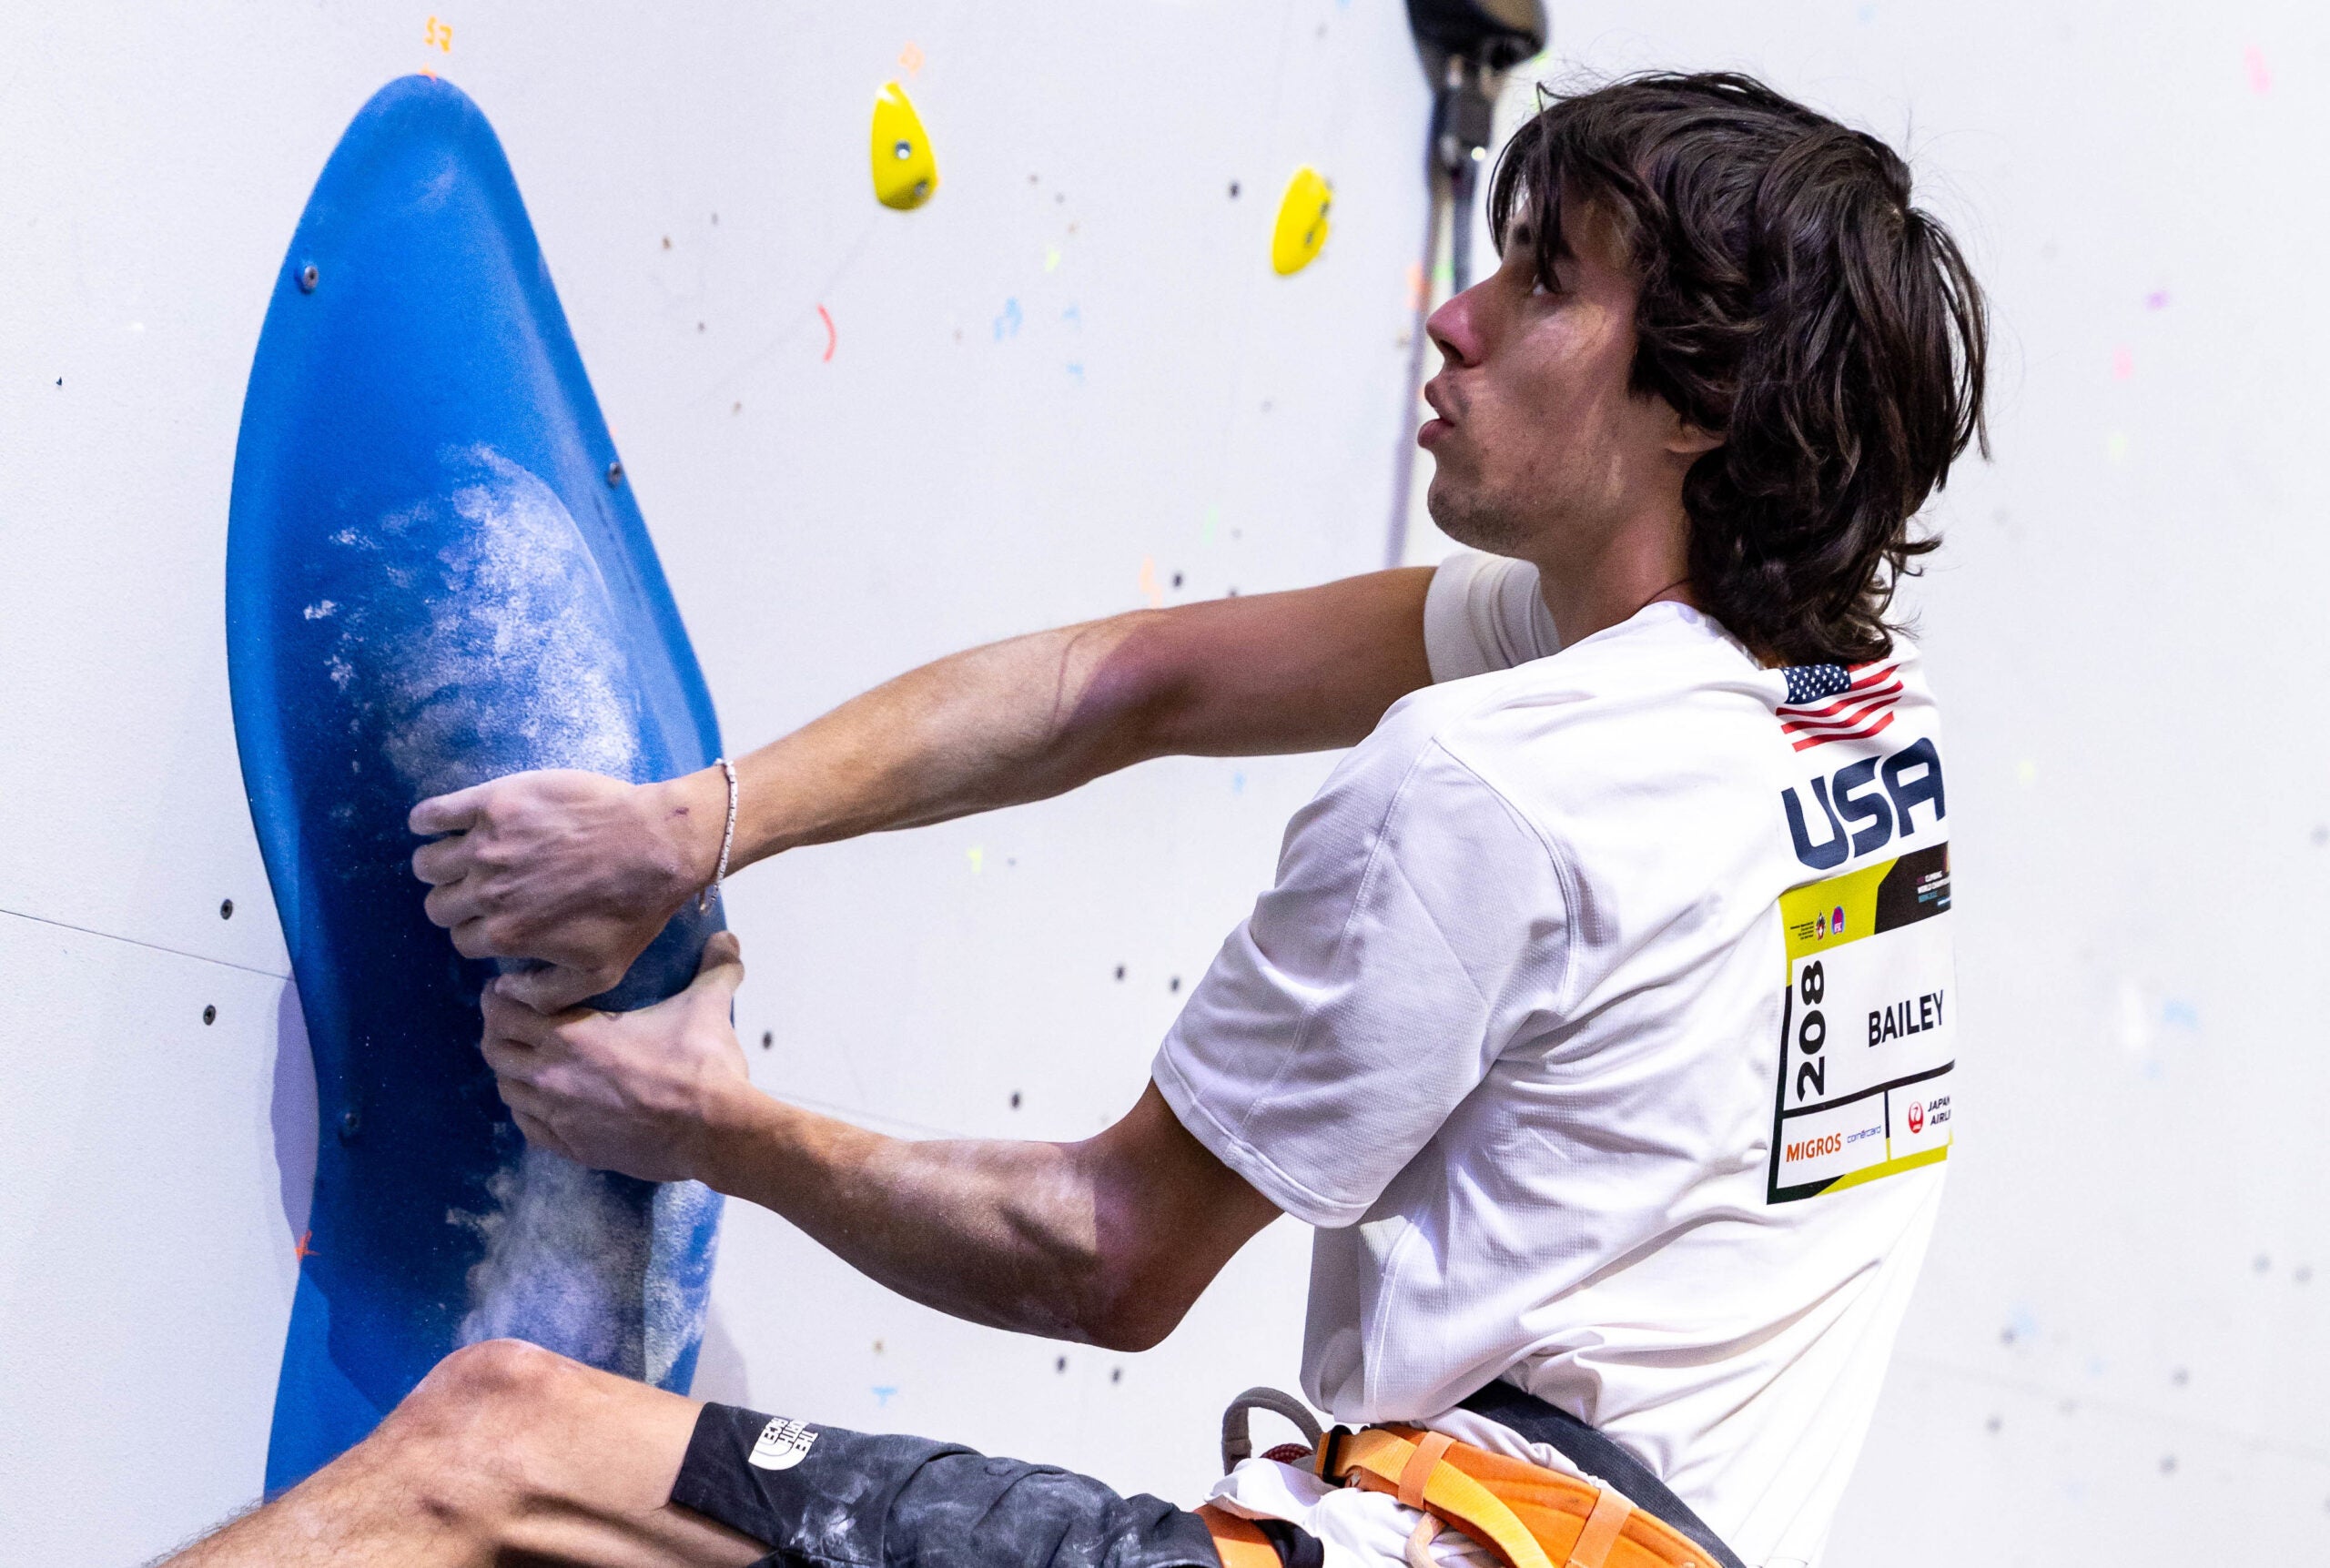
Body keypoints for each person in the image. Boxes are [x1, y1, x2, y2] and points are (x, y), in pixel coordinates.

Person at [165, 71, 1985, 1568]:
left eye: (1545, 283)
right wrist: (696, 827)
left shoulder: (1495, 786)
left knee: (494, 1446)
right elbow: (1128, 680)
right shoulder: (1835, 719)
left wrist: (708, 1121)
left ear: (1705, 406)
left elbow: (1105, 1257)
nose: (1453, 313)